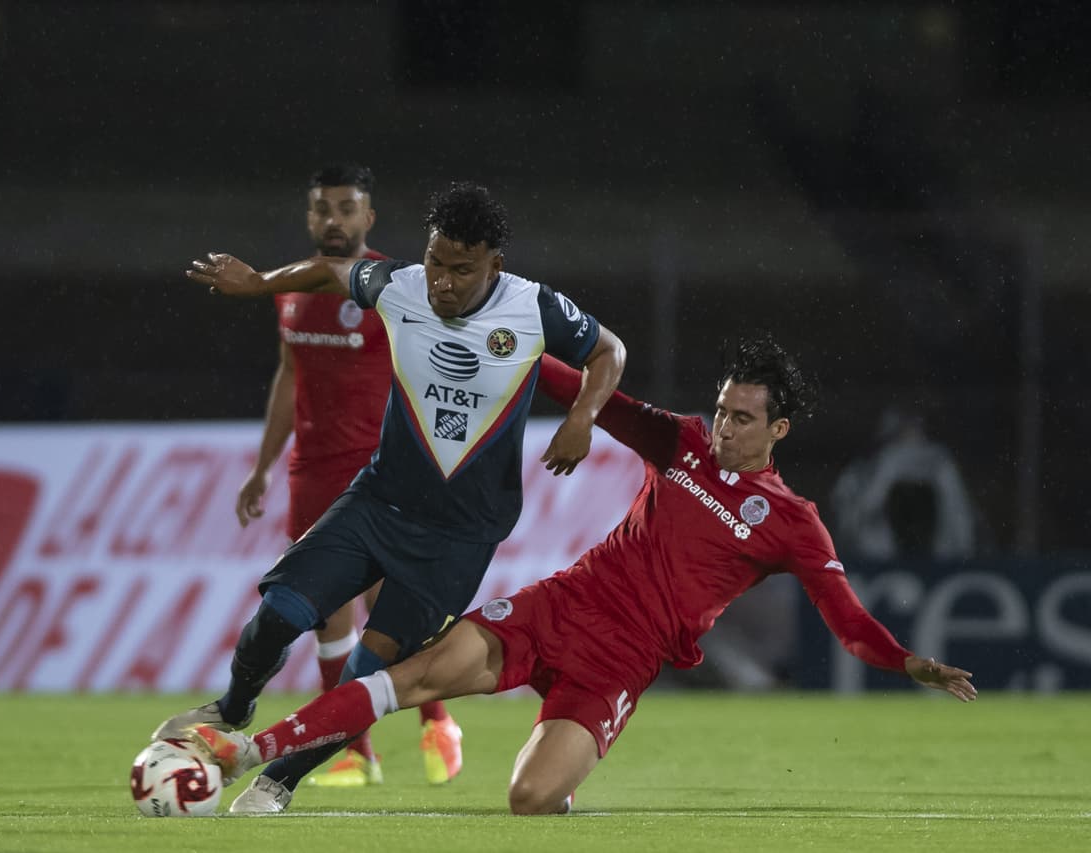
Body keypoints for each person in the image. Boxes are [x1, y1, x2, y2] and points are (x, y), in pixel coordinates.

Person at [186, 336, 978, 816]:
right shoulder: (684, 443)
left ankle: (556, 786)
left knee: (530, 800)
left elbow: (843, 617)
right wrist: (518, 350)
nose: (723, 425)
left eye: (743, 418)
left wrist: (905, 660)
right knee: (417, 673)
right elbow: (592, 393)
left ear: (779, 428)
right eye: (722, 409)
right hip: (561, 605)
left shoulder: (794, 521)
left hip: (621, 663)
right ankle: (253, 753)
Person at [158, 182, 627, 814]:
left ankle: (280, 781)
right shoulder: (400, 286)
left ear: (496, 265)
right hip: (377, 505)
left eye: (462, 270)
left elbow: (608, 350)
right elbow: (327, 271)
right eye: (437, 262)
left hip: (456, 542)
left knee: (366, 679)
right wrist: (261, 281)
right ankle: (234, 708)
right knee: (275, 618)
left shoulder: (533, 308)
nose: (444, 281)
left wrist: (582, 417)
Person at [231, 163, 463, 787]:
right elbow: (290, 376)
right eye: (321, 209)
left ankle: (437, 720)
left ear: (369, 217)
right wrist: (263, 466)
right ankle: (356, 751)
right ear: (309, 218)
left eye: (345, 208)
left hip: (381, 472)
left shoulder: (394, 290)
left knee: (387, 609)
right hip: (311, 471)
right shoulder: (291, 288)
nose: (332, 220)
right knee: (321, 615)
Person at [830, 407, 977, 560]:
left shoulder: (940, 461)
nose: (911, 439)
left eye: (915, 430)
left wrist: (962, 548)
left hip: (940, 550)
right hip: (878, 553)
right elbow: (865, 508)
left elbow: (957, 509)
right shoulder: (865, 469)